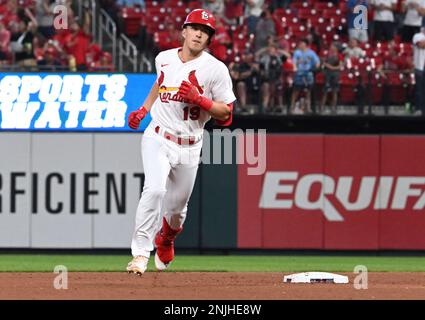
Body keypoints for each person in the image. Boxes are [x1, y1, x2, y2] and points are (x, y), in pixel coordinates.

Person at [126, 9, 236, 275]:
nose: (199, 33)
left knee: (177, 210)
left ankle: (166, 237)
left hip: (190, 144)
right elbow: (160, 83)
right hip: (158, 135)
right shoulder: (163, 58)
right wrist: (144, 108)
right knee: (154, 190)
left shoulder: (216, 69)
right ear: (184, 31)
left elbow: (227, 115)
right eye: (195, 28)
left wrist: (201, 100)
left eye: (206, 31)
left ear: (209, 39)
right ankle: (140, 254)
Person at [413, 27, 425, 115]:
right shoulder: (418, 36)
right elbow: (421, 45)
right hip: (420, 67)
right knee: (419, 90)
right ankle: (418, 109)